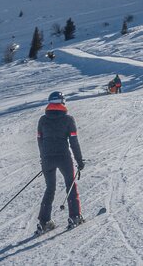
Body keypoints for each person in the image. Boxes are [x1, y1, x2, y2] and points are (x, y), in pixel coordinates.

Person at [36, 91, 85, 233]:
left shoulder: (42, 120)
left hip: (47, 159)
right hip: (63, 157)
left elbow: (40, 140)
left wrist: (43, 158)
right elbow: (74, 142)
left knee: (50, 188)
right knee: (71, 184)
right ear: (62, 103)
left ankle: (44, 221)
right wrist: (79, 161)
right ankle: (75, 216)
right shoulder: (68, 119)